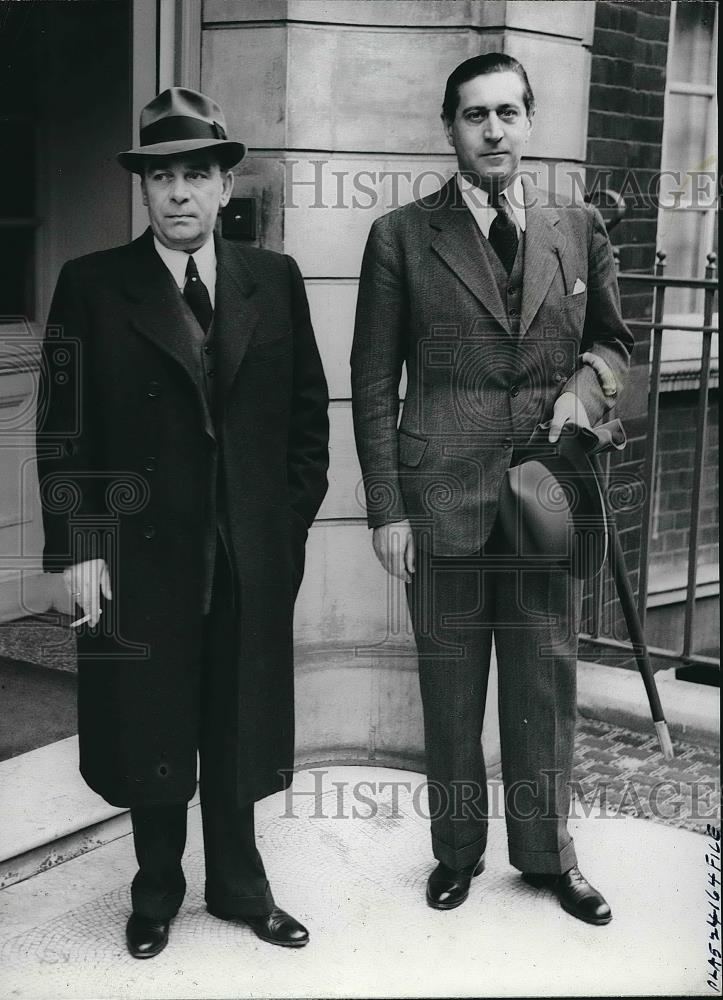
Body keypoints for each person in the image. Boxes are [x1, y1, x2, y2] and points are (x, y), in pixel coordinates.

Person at [36, 87, 329, 957]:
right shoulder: (92, 285)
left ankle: (241, 889)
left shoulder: (271, 281)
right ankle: (156, 892)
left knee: (237, 721)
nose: (179, 194)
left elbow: (306, 424)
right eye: (162, 177)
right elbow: (62, 429)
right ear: (143, 188)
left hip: (245, 552)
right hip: (141, 551)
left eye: (196, 175)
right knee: (154, 722)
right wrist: (79, 544)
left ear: (222, 184)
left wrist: (284, 530)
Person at [351, 54, 633, 925]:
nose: (494, 130)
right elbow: (370, 383)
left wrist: (580, 392)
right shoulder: (401, 236)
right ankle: (456, 853)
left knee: (544, 682)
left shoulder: (574, 227)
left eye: (508, 112)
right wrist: (387, 508)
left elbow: (615, 347)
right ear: (450, 129)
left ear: (530, 122)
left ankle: (549, 858)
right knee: (449, 689)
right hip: (441, 496)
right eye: (475, 115)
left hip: (544, 494)